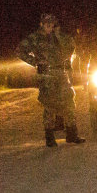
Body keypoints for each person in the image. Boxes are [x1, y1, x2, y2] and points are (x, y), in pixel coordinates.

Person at [17, 13, 86, 147]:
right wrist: (35, 62)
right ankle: (49, 137)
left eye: (52, 24)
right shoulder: (35, 37)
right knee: (50, 105)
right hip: (47, 74)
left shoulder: (58, 36)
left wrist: (59, 36)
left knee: (69, 102)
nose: (50, 26)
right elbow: (20, 51)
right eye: (47, 24)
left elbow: (71, 47)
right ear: (41, 24)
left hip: (61, 72)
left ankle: (72, 134)